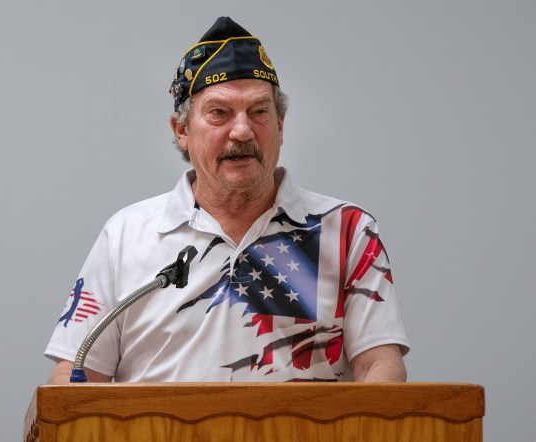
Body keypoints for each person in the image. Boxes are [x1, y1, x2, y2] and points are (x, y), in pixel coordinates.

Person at [45, 17, 409, 384]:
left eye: (259, 112)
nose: (242, 131)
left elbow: (380, 367)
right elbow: (76, 373)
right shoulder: (127, 234)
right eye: (219, 113)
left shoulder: (345, 230)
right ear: (182, 130)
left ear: (281, 126)